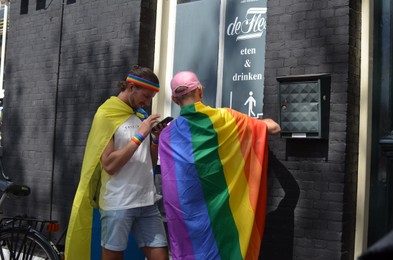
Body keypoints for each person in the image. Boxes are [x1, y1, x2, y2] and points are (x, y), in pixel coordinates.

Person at [158, 71, 280, 260]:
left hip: (186, 218)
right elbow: (274, 128)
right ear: (200, 91)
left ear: (175, 100)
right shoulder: (225, 119)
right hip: (220, 215)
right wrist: (255, 127)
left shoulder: (167, 135)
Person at [65, 65, 169, 260]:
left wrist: (154, 139)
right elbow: (110, 165)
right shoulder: (106, 115)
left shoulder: (141, 117)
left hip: (147, 200)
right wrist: (140, 135)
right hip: (119, 202)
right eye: (145, 97)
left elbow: (149, 163)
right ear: (131, 87)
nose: (146, 103)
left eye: (150, 99)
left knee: (161, 256)